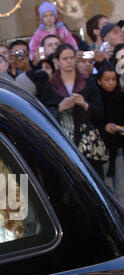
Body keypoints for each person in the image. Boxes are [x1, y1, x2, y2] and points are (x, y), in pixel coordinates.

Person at [50, 43, 107, 178]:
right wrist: (60, 108)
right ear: (57, 61)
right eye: (65, 59)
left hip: (87, 144)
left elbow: (100, 113)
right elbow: (43, 112)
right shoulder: (50, 84)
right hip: (62, 141)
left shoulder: (88, 82)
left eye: (71, 57)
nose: (69, 61)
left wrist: (85, 104)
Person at [96, 65, 124, 204]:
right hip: (102, 148)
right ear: (99, 81)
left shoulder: (120, 96)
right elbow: (94, 119)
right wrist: (104, 127)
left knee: (121, 187)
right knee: (107, 189)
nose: (111, 82)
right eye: (107, 79)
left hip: (119, 147)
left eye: (113, 79)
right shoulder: (96, 97)